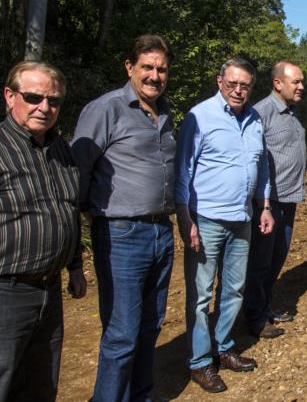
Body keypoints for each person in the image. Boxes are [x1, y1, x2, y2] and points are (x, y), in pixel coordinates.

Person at [72, 35, 175, 402]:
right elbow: (79, 168)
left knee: (150, 327)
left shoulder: (165, 112)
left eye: (161, 68)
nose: (154, 75)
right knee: (121, 336)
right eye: (147, 67)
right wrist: (87, 213)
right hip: (121, 234)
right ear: (129, 66)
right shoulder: (106, 109)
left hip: (162, 231)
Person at [175, 58, 273, 394]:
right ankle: (201, 362)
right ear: (220, 82)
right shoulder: (199, 117)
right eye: (232, 83)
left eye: (245, 85)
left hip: (242, 219)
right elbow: (183, 172)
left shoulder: (255, 119)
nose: (238, 90)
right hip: (206, 220)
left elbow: (261, 169)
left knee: (233, 290)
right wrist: (184, 217)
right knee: (201, 296)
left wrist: (265, 206)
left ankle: (224, 347)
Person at [0, 61, 86, 401]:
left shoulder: (60, 148)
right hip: (7, 290)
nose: (44, 107)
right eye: (34, 97)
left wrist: (76, 266)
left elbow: (68, 210)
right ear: (10, 96)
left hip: (49, 289)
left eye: (53, 101)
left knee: (42, 379)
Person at [243, 61, 306, 339]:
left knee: (276, 259)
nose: (302, 87)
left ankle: (265, 307)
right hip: (269, 204)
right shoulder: (261, 113)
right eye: (296, 82)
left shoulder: (291, 113)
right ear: (278, 84)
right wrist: (263, 203)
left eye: (302, 82)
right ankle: (254, 318)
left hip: (289, 199)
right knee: (260, 263)